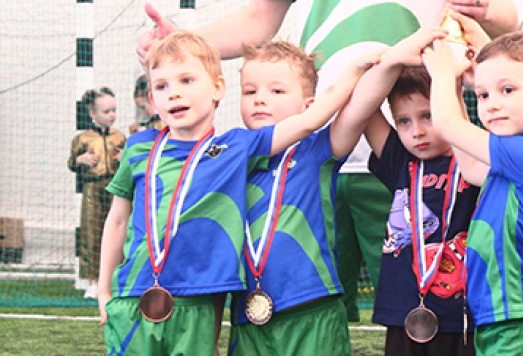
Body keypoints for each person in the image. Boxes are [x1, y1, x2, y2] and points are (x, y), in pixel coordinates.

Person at [136, 0, 518, 320]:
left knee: (430, 321)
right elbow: (258, 21)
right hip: (313, 148)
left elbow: (503, 14)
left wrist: (487, 6)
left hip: (412, 150)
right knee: (296, 318)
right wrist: (182, 43)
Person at [98, 31, 378, 355]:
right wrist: (103, 290)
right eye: (161, 86)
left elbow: (310, 121)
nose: (173, 93)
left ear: (218, 88)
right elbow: (117, 220)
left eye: (186, 80)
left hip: (212, 303)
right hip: (135, 295)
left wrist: (355, 69)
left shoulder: (235, 148)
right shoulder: (138, 148)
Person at [228, 39, 384, 356]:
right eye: (249, 91)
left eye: (277, 91)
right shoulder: (230, 156)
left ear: (309, 105)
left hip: (313, 311)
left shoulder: (317, 150)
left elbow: (361, 107)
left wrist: (366, 66)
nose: (260, 99)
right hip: (248, 316)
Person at [423, 32, 523, 356]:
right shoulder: (516, 160)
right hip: (507, 321)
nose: (491, 104)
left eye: (507, 90)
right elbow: (471, 168)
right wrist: (458, 91)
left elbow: (446, 125)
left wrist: (442, 74)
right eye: (483, 94)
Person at [333, 26, 477, 355]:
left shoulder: (474, 159)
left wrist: (450, 79)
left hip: (462, 312)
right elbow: (364, 104)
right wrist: (393, 58)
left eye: (428, 116)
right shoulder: (400, 160)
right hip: (403, 310)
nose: (417, 132)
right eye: (404, 121)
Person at [68, 87, 126, 300]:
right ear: (93, 113)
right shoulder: (82, 138)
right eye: (106, 111)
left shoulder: (119, 137)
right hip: (92, 189)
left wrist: (125, 157)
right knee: (91, 233)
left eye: (114, 110)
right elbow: (71, 163)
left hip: (116, 189)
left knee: (117, 233)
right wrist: (79, 160)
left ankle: (115, 278)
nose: (111, 115)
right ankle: (93, 281)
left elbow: (130, 161)